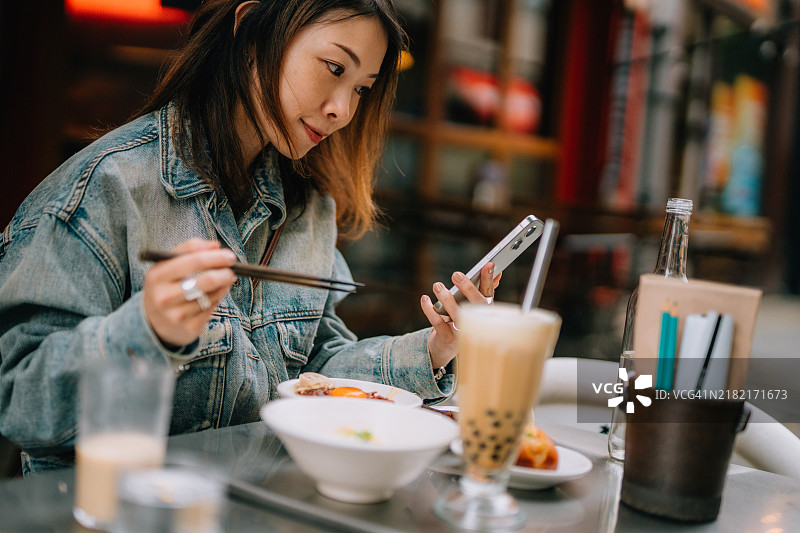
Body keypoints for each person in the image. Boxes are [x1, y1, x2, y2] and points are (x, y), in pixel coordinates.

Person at [0, 0, 499, 475]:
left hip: (252, 504)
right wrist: (147, 332)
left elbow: (316, 374)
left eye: (361, 89)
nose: (343, 110)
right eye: (334, 68)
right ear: (251, 32)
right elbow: (19, 401)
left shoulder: (307, 208)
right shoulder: (107, 187)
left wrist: (434, 349)